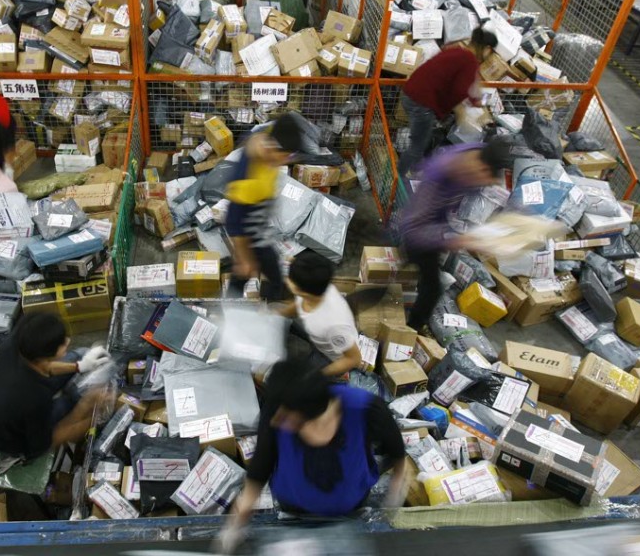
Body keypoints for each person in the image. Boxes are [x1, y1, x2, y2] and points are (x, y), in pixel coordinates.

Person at [219, 360, 407, 551]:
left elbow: (397, 451)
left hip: (352, 509)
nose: (276, 421)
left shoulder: (364, 408)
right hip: (293, 512)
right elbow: (259, 469)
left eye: (287, 418)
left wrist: (397, 487)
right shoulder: (278, 409)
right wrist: (236, 523)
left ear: (310, 414)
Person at [398, 137, 511, 333]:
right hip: (418, 231)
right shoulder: (437, 177)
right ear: (479, 168)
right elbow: (414, 227)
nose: (484, 183)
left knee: (426, 273)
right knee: (433, 287)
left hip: (438, 221)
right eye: (483, 178)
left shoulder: (478, 154)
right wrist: (457, 240)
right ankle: (412, 330)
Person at [0, 312, 113, 459]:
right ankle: (75, 398)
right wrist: (91, 412)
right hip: (19, 442)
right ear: (44, 355)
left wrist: (80, 366)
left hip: (5, 406)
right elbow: (52, 440)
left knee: (81, 354)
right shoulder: (35, 398)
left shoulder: (15, 344)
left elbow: (45, 366)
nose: (68, 341)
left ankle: (76, 387)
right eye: (62, 344)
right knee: (76, 397)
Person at [398, 27, 499, 176]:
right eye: (490, 52)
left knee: (422, 141)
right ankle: (397, 181)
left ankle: (414, 173)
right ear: (487, 48)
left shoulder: (457, 51)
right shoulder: (469, 60)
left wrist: (474, 100)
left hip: (409, 94)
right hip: (421, 102)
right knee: (417, 147)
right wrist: (464, 114)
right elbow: (460, 90)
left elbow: (462, 82)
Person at [225, 113, 305, 302]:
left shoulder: (267, 138)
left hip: (261, 224)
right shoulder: (248, 179)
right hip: (250, 230)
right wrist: (243, 256)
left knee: (265, 271)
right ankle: (234, 315)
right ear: (273, 148)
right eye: (286, 155)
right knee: (248, 271)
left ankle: (253, 306)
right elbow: (234, 222)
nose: (286, 161)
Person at [275, 250, 363, 377]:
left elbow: (354, 359)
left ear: (299, 290)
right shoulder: (315, 286)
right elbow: (299, 303)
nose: (286, 279)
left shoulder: (334, 325)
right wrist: (278, 313)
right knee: (274, 310)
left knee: (299, 379)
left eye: (289, 279)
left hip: (329, 356)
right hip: (316, 334)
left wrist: (318, 376)